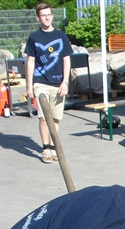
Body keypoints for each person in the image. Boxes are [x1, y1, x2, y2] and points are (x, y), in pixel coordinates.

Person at [24, 2, 72, 164]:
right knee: (44, 117)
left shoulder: (60, 36)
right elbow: (30, 61)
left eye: (49, 14)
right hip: (40, 82)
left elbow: (66, 60)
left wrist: (65, 82)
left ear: (52, 16)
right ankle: (46, 149)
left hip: (58, 83)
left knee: (55, 118)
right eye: (43, 15)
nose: (46, 18)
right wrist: (29, 85)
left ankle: (53, 146)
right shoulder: (34, 37)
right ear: (38, 18)